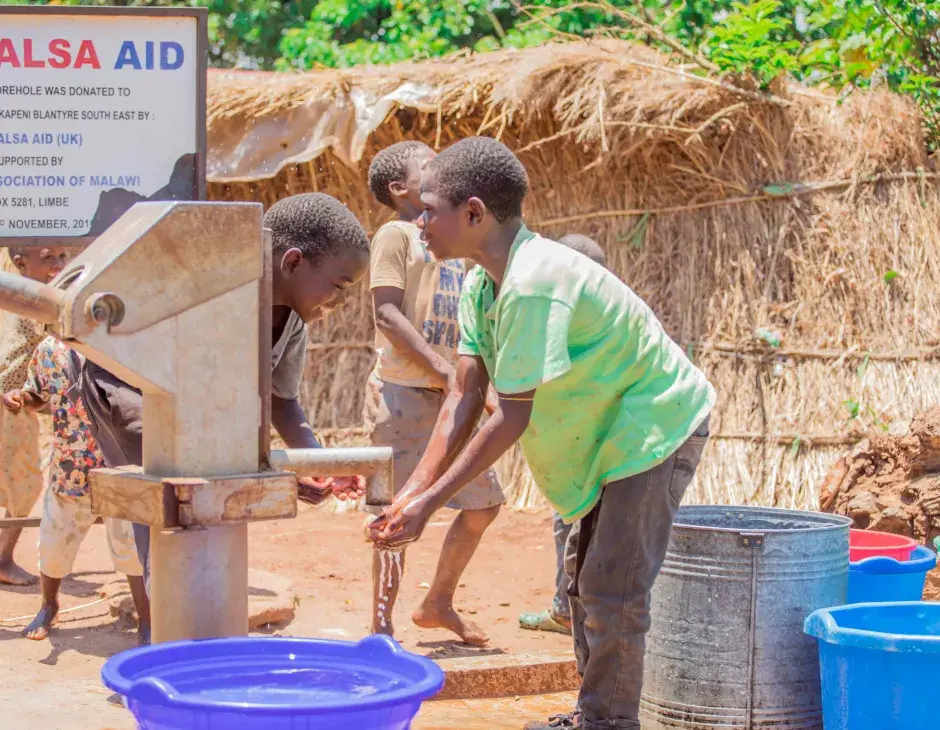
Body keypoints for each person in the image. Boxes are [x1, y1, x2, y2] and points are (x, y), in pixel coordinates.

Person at [370, 137, 715, 730]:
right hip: (605, 432)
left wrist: (430, 504)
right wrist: (415, 491)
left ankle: (609, 723)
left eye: (431, 210)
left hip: (651, 427)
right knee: (584, 584)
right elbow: (465, 391)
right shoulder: (485, 285)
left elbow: (512, 413)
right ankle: (593, 713)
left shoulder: (533, 282)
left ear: (474, 214)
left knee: (614, 587)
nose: (420, 223)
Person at [78, 193, 370, 594]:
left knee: (204, 514)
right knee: (166, 507)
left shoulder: (292, 325)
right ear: (293, 262)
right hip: (127, 392)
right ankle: (160, 621)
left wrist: (316, 460)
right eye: (339, 286)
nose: (342, 301)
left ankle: (188, 612)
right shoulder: (211, 292)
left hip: (199, 417)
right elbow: (183, 392)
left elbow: (281, 399)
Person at [364, 141, 504, 645]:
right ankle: (381, 624)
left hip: (451, 395)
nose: (438, 164)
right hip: (402, 394)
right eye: (427, 162)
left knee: (483, 504)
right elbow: (385, 313)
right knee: (396, 511)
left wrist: (467, 382)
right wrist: (445, 370)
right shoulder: (395, 234)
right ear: (399, 188)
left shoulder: (453, 238)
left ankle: (437, 601)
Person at [2, 336, 149, 643]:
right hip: (69, 466)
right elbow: (39, 394)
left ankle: (146, 618)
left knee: (130, 544)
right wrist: (22, 399)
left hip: (117, 465)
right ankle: (49, 605)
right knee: (54, 543)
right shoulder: (49, 349)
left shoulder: (119, 345)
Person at [517, 233, 607, 638]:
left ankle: (572, 612)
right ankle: (570, 609)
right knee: (577, 526)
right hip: (597, 439)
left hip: (588, 442)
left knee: (574, 525)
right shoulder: (606, 312)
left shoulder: (568, 319)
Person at [0, 245, 71, 586]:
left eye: (62, 256)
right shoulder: (38, 300)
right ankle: (2, 559)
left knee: (19, 482)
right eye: (48, 258)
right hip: (9, 402)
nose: (58, 265)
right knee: (24, 482)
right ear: (20, 263)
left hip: (16, 403)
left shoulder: (20, 296)